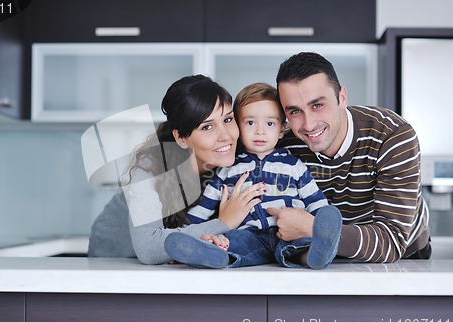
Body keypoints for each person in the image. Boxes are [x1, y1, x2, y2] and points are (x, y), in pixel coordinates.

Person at [269, 52, 431, 263]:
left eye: (317, 105)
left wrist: (315, 229)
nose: (308, 125)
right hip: (322, 255)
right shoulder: (284, 146)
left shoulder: (392, 135)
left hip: (402, 257)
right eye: (295, 111)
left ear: (342, 98)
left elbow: (390, 241)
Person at [88, 74, 266, 265]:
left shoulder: (232, 162)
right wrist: (223, 223)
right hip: (111, 265)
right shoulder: (148, 171)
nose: (226, 136)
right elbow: (148, 248)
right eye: (207, 127)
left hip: (168, 268)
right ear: (181, 138)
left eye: (228, 120)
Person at [164, 83, 343, 269]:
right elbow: (204, 207)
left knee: (301, 245)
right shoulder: (228, 169)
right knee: (229, 242)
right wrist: (187, 235)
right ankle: (208, 255)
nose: (260, 131)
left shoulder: (294, 166)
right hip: (250, 235)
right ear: (238, 126)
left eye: (270, 123)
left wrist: (321, 224)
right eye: (250, 123)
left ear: (282, 129)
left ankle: (317, 256)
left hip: (288, 231)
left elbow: (316, 201)